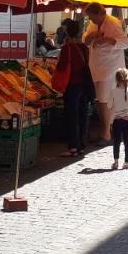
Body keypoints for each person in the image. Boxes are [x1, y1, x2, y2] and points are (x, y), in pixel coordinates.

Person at [83, 2, 128, 143]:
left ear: (99, 13)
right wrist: (91, 36)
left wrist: (109, 40)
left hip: (110, 68)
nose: (91, 20)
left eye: (92, 17)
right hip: (96, 67)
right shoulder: (93, 24)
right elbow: (85, 41)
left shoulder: (113, 23)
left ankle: (106, 133)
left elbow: (126, 43)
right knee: (100, 100)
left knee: (104, 100)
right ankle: (107, 130)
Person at [53, 18, 94, 157]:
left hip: (72, 85)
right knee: (83, 115)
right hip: (84, 85)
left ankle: (73, 147)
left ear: (67, 32)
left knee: (72, 116)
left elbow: (62, 66)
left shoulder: (67, 48)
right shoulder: (84, 48)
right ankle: (82, 146)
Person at [108, 67, 128, 170]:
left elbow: (109, 105)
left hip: (116, 118)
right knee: (127, 140)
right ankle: (127, 162)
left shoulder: (113, 91)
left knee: (116, 141)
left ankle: (116, 162)